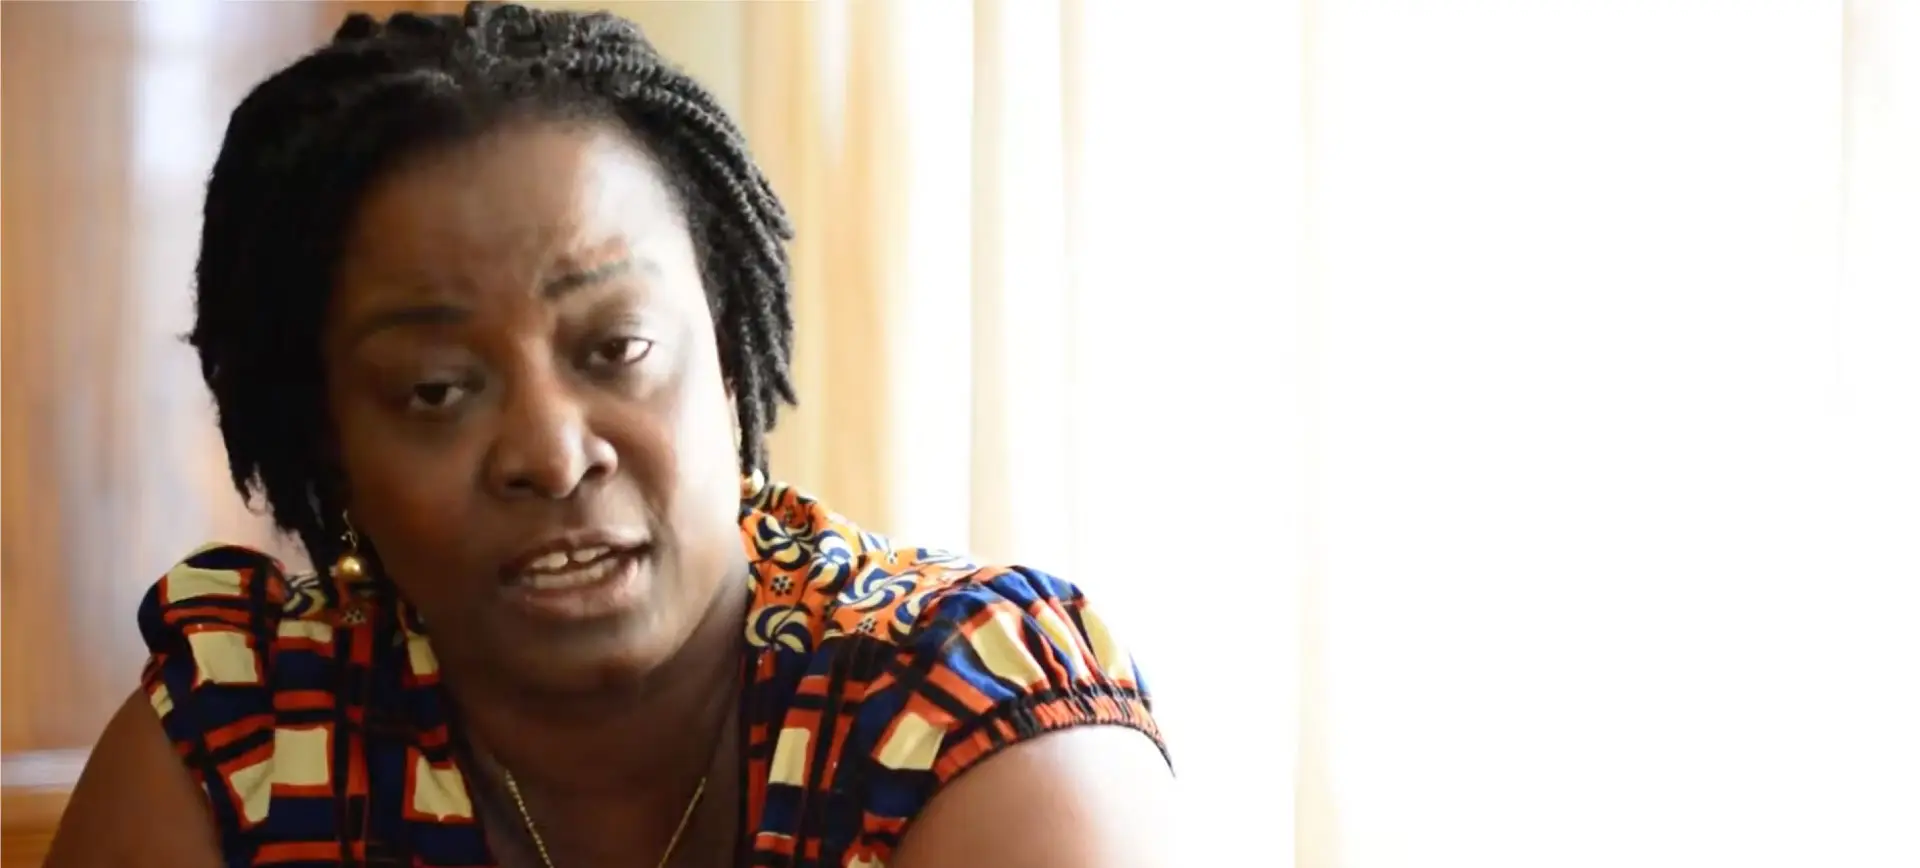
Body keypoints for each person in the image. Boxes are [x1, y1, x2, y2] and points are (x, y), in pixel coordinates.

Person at [45, 4, 1174, 867]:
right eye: (435, 390)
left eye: (618, 348)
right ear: (329, 445)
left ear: (727, 363)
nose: (550, 452)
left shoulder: (965, 726)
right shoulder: (245, 747)